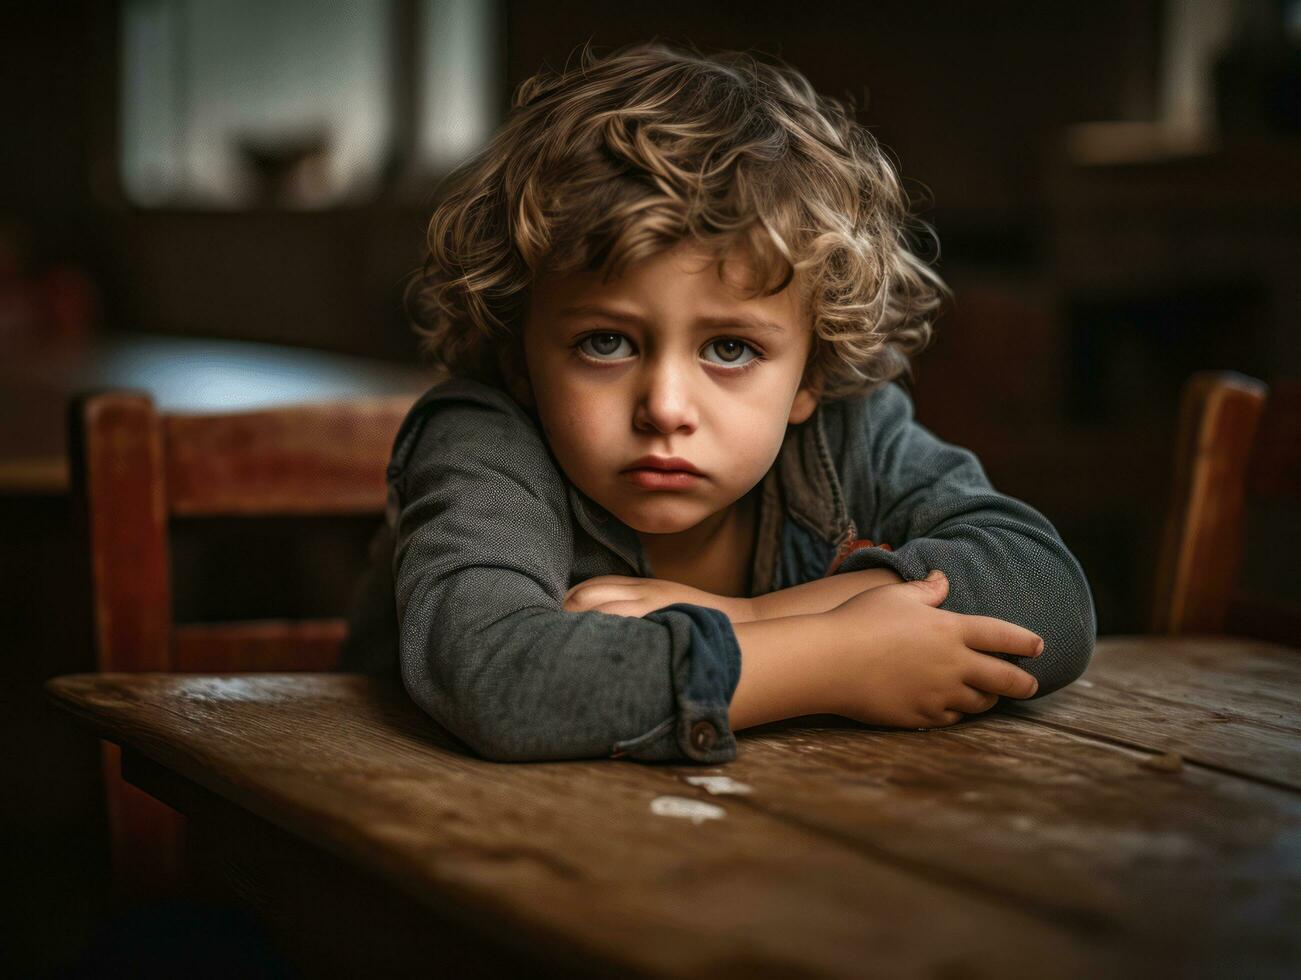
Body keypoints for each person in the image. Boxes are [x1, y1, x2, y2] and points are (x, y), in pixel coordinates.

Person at [340, 39, 1096, 765]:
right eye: (605, 343)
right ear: (518, 355)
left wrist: (756, 619)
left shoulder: (845, 432)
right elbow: (498, 677)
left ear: (810, 377)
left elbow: (1051, 597)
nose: (666, 407)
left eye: (730, 349)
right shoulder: (484, 444)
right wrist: (831, 659)